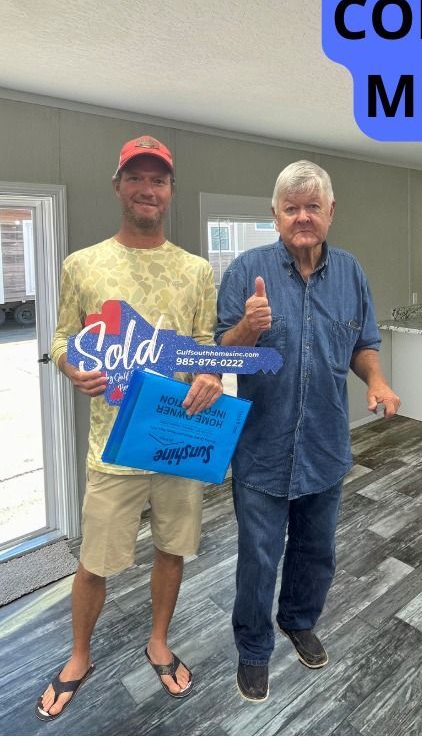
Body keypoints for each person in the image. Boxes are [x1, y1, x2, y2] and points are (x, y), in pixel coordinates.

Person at [35, 136, 223, 721]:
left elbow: (204, 346)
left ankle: (159, 640)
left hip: (177, 441)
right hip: (111, 448)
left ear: (170, 191)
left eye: (159, 180)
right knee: (95, 560)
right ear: (118, 185)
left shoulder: (196, 270)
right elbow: (61, 340)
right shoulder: (82, 265)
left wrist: (211, 373)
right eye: (136, 177)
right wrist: (71, 365)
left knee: (173, 550)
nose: (148, 189)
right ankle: (79, 654)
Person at [216, 160, 399, 702]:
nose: (302, 217)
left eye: (312, 207)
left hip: (324, 443)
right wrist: (248, 328)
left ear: (330, 213)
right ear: (274, 215)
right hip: (261, 449)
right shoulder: (245, 271)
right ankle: (253, 650)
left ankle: (298, 620)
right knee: (259, 558)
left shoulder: (351, 273)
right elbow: (218, 354)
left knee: (316, 553)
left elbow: (363, 345)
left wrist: (378, 381)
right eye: (291, 208)